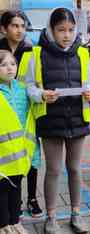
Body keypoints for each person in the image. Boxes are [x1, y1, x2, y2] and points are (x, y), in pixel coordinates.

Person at [25, 8, 90, 234]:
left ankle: (77, 214)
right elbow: (29, 87)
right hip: (50, 121)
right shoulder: (36, 54)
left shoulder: (83, 54)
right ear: (51, 30)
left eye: (71, 30)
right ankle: (51, 217)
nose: (67, 35)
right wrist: (41, 94)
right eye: (61, 30)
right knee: (53, 170)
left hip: (77, 119)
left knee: (75, 169)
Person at [0, 10, 43, 218]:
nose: (19, 30)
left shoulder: (31, 50)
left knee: (32, 157)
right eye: (15, 26)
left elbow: (36, 79)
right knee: (7, 164)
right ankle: (8, 205)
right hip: (5, 116)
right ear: (4, 29)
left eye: (23, 26)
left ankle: (32, 198)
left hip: (26, 111)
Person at [0, 50, 37, 234]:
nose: (9, 68)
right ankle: (4, 224)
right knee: (2, 189)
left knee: (16, 187)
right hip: (2, 153)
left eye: (12, 64)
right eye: (4, 64)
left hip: (20, 150)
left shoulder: (22, 89)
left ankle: (15, 221)